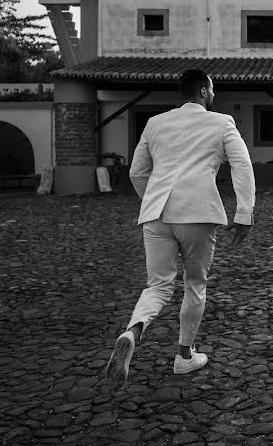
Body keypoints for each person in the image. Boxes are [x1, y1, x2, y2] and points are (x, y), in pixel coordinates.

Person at [105, 69, 256, 390]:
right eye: (212, 90)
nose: (213, 96)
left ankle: (132, 331)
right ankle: (184, 355)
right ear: (203, 91)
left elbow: (136, 171)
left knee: (157, 285)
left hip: (156, 213)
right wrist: (244, 212)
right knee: (194, 284)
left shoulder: (154, 123)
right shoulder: (222, 122)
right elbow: (242, 164)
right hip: (198, 213)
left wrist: (154, 200)